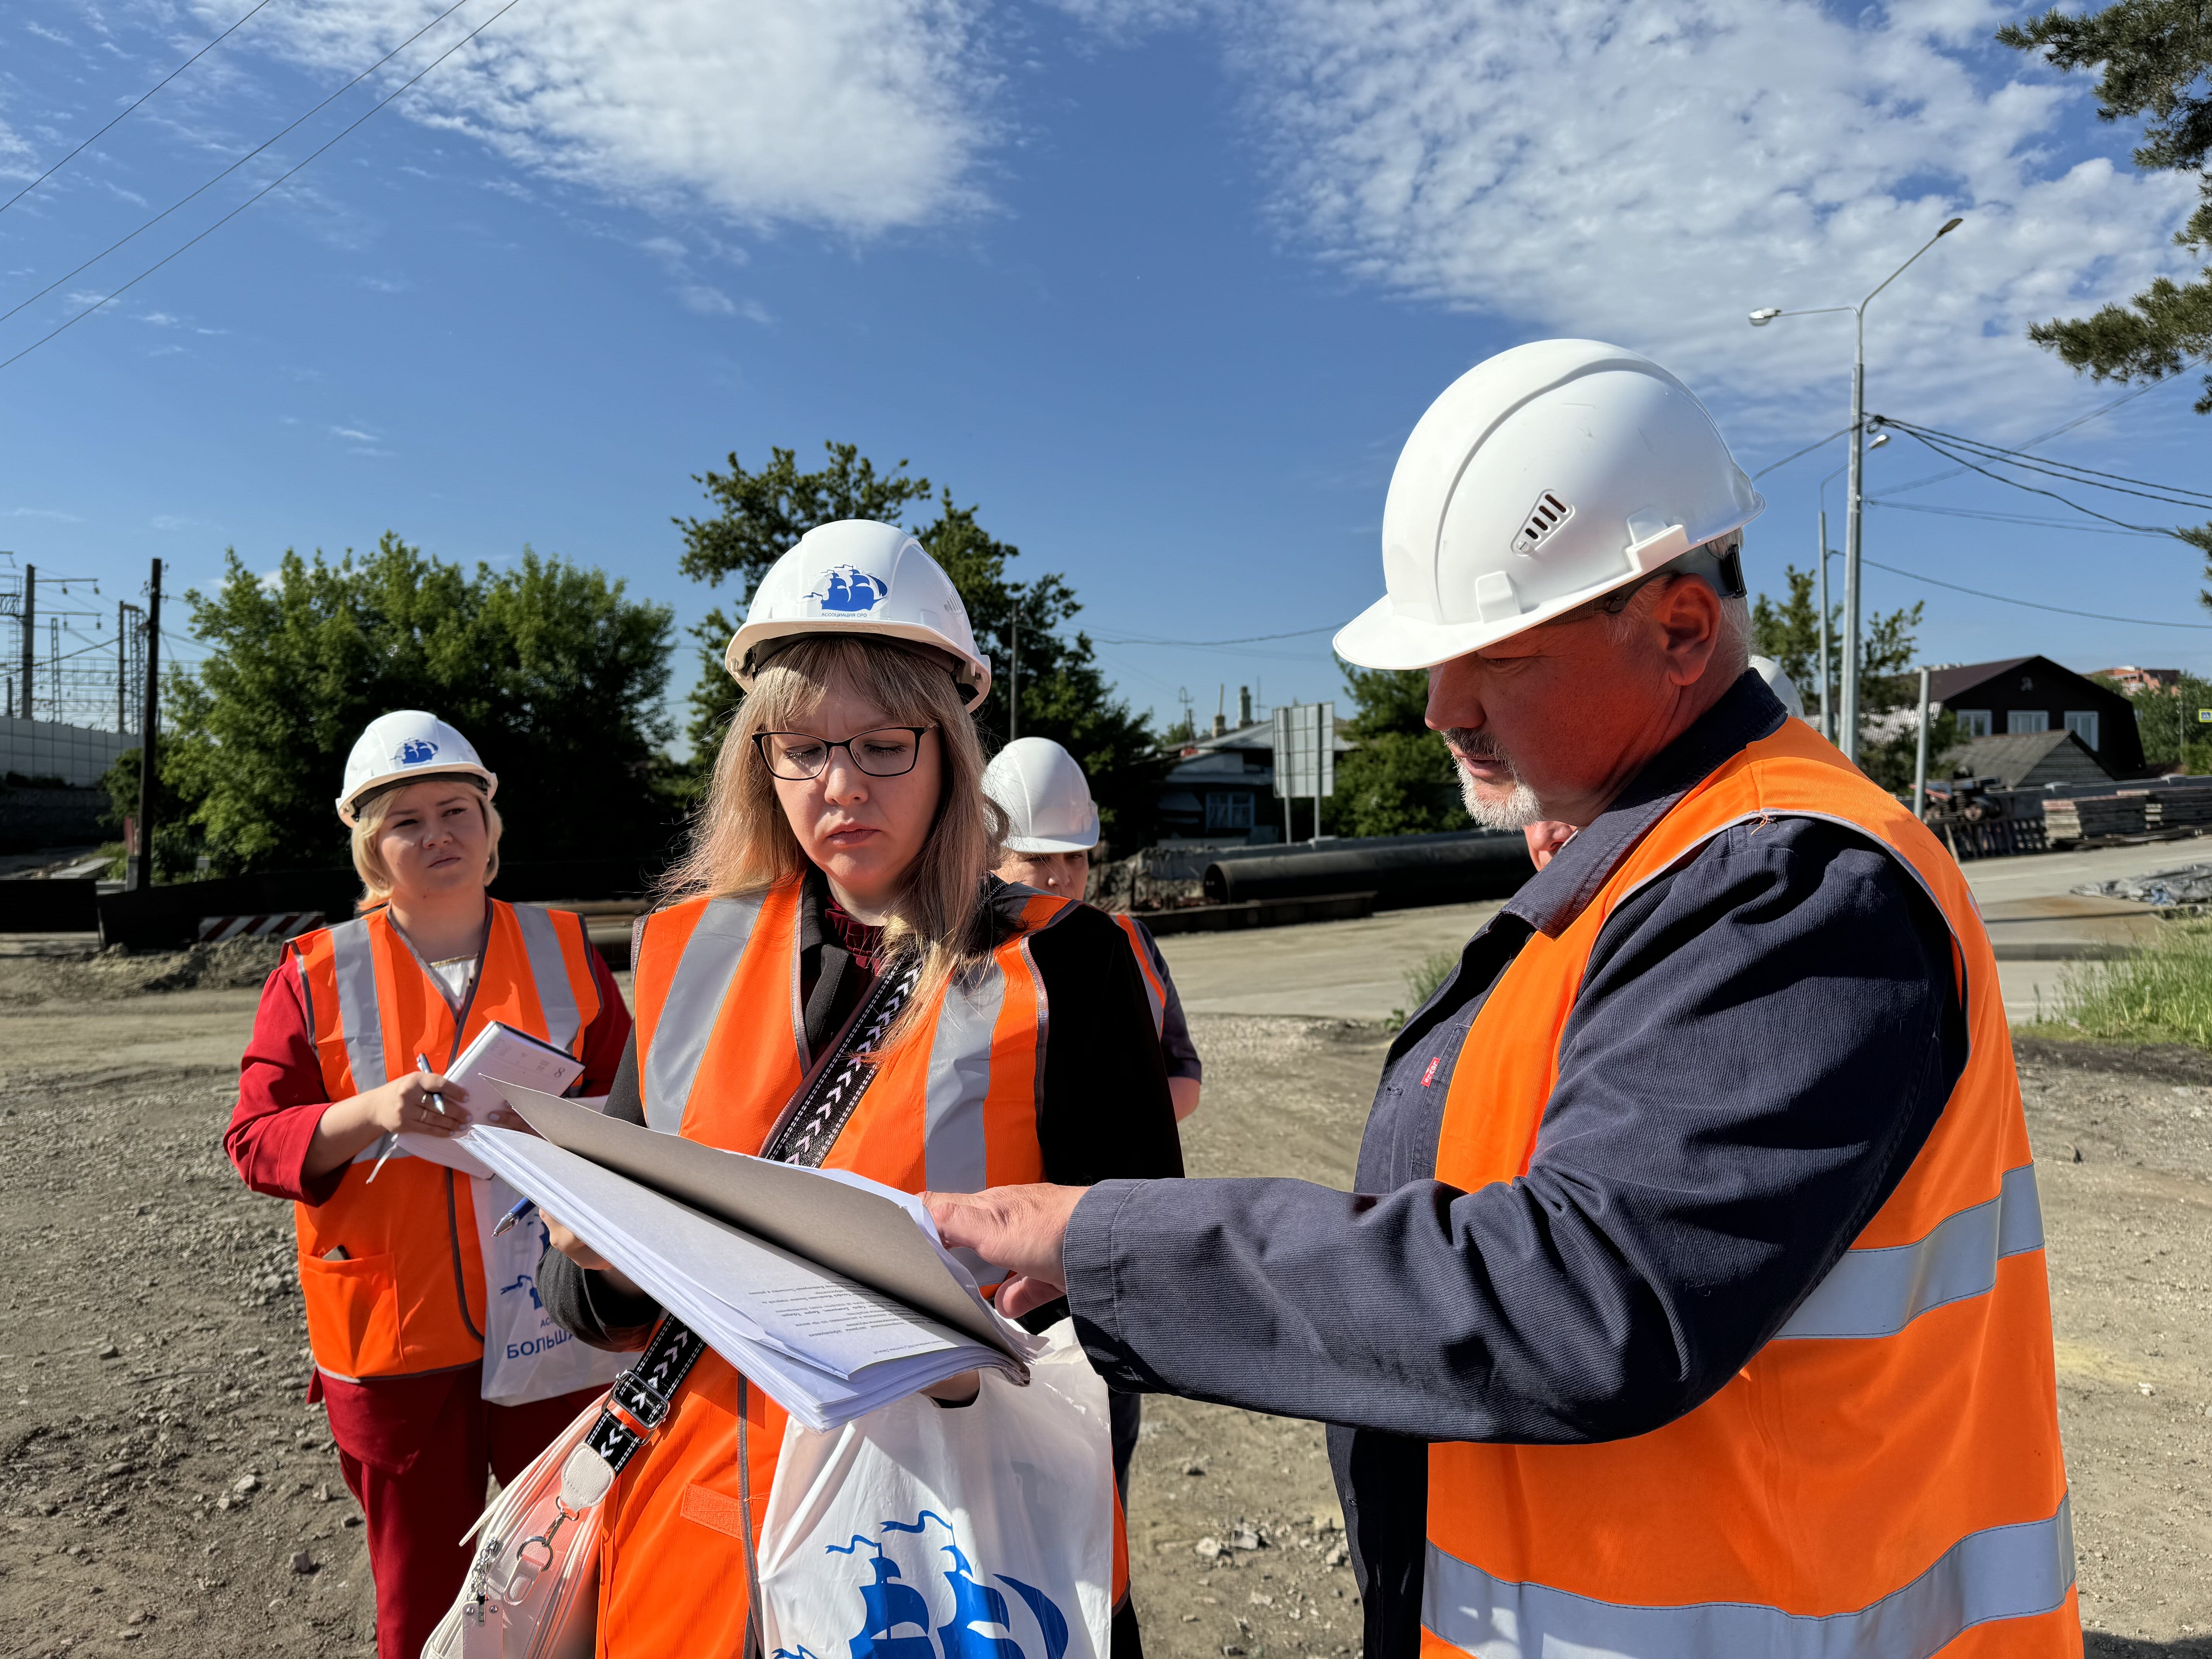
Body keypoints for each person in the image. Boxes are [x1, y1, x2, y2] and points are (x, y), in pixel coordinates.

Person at [927, 341, 2077, 1656]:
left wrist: (1099, 1237)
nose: (1441, 707)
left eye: (1496, 657)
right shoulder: (1650, 861)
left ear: (1681, 631)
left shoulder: (1788, 887)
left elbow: (1582, 1296)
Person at [534, 521, 1183, 1659]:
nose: (840, 787)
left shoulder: (1070, 967)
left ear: (949, 750)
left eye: (883, 746)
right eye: (801, 749)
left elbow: (1153, 1285)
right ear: (759, 758)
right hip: (702, 1561)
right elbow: (597, 1306)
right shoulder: (681, 954)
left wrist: (993, 1344)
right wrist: (597, 1257)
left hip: (944, 1561)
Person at [225, 710, 632, 1659]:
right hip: (396, 1339)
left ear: (491, 827)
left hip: (557, 1319)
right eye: (406, 820)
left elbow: (633, 1108)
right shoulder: (313, 972)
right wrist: (372, 1112)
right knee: (421, 1605)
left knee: (580, 1581)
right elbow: (254, 1141)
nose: (437, 833)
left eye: (456, 810)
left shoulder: (564, 947)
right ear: (370, 844)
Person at [984, 735, 1204, 1122]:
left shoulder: (1133, 941)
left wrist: (1129, 1130)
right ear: (987, 858)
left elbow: (1182, 1067)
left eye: (1075, 856)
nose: (1062, 878)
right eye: (1036, 857)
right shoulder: (959, 960)